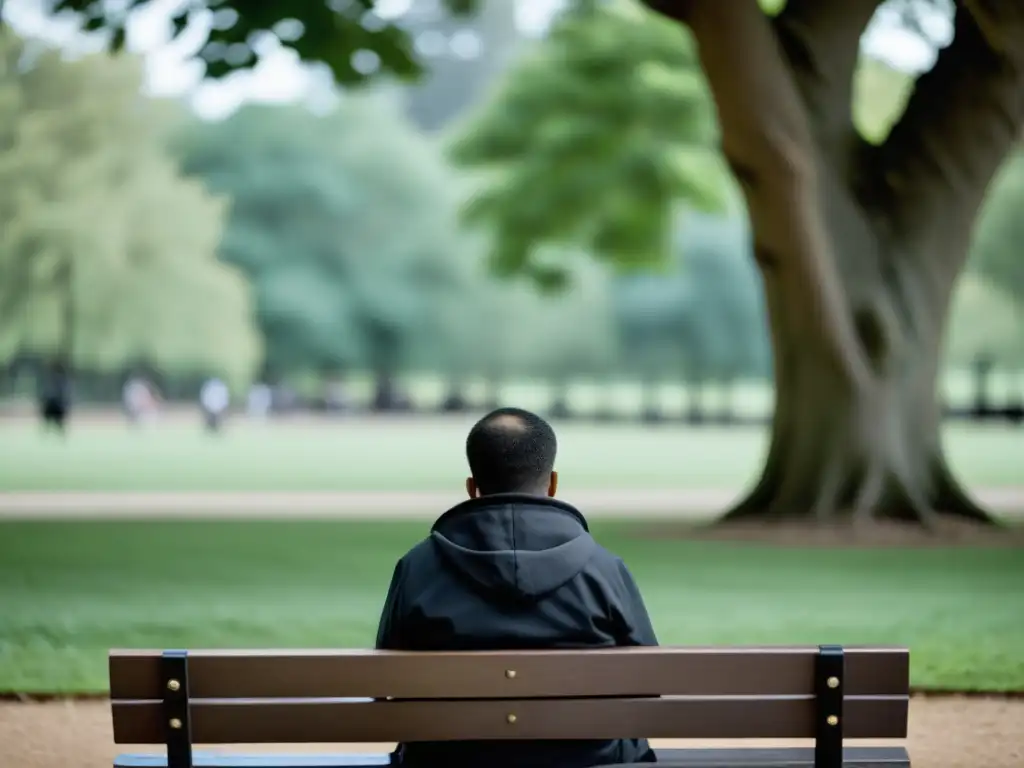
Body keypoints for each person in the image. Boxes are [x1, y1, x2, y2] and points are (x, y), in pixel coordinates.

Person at [375, 407, 658, 768]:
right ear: (552, 484)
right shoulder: (604, 567)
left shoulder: (418, 566)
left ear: (472, 488)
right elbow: (648, 684)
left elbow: (387, 685)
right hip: (589, 761)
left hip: (447, 761)